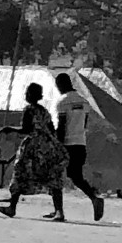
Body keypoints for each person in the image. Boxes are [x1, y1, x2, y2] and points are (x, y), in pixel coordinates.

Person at [0, 82, 69, 221]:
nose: (26, 95)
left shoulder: (29, 110)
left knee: (20, 173)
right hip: (48, 146)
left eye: (27, 93)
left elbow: (26, 130)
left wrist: (9, 129)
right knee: (52, 176)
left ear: (31, 95)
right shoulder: (44, 111)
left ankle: (12, 207)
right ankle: (59, 211)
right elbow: (52, 129)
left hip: (33, 147)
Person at [46, 72, 104, 222]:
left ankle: (59, 211)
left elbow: (62, 126)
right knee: (76, 176)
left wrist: (57, 144)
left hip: (66, 144)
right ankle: (94, 197)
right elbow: (84, 123)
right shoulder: (84, 102)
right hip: (80, 143)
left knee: (55, 176)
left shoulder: (62, 102)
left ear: (60, 85)